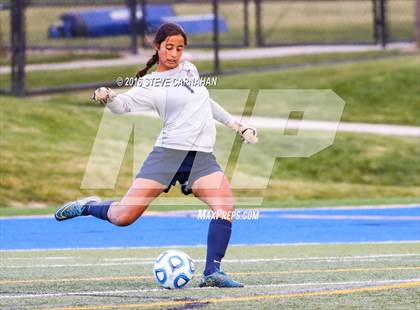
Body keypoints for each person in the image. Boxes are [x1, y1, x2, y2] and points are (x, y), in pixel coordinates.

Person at [54, 23, 258, 288]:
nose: (174, 54)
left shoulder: (190, 70)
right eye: (169, 48)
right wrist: (108, 96)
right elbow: (123, 105)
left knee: (225, 207)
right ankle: (88, 206)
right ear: (158, 48)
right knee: (123, 217)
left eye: (179, 48)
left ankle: (212, 272)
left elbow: (205, 101)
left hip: (200, 158)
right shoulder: (151, 83)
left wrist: (237, 126)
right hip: (168, 155)